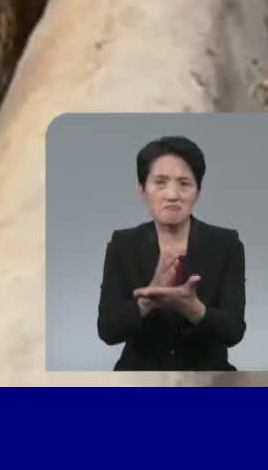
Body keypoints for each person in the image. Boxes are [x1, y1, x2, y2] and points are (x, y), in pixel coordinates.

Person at [96, 135, 247, 370]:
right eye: (160, 182)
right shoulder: (123, 244)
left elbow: (234, 331)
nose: (172, 195)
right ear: (142, 190)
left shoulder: (226, 244)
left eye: (184, 183)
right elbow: (107, 330)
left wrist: (193, 308)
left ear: (198, 191)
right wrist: (146, 303)